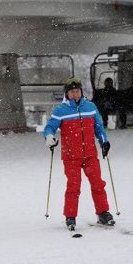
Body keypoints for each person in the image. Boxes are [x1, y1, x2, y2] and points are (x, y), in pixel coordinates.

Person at [43, 77, 115, 230]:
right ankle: (70, 216)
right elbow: (49, 128)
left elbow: (99, 128)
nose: (75, 94)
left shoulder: (90, 107)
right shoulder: (61, 111)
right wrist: (49, 137)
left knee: (98, 184)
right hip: (71, 156)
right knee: (74, 186)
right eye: (72, 92)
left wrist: (104, 142)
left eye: (77, 91)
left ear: (81, 92)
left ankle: (103, 213)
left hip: (90, 154)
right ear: (67, 94)